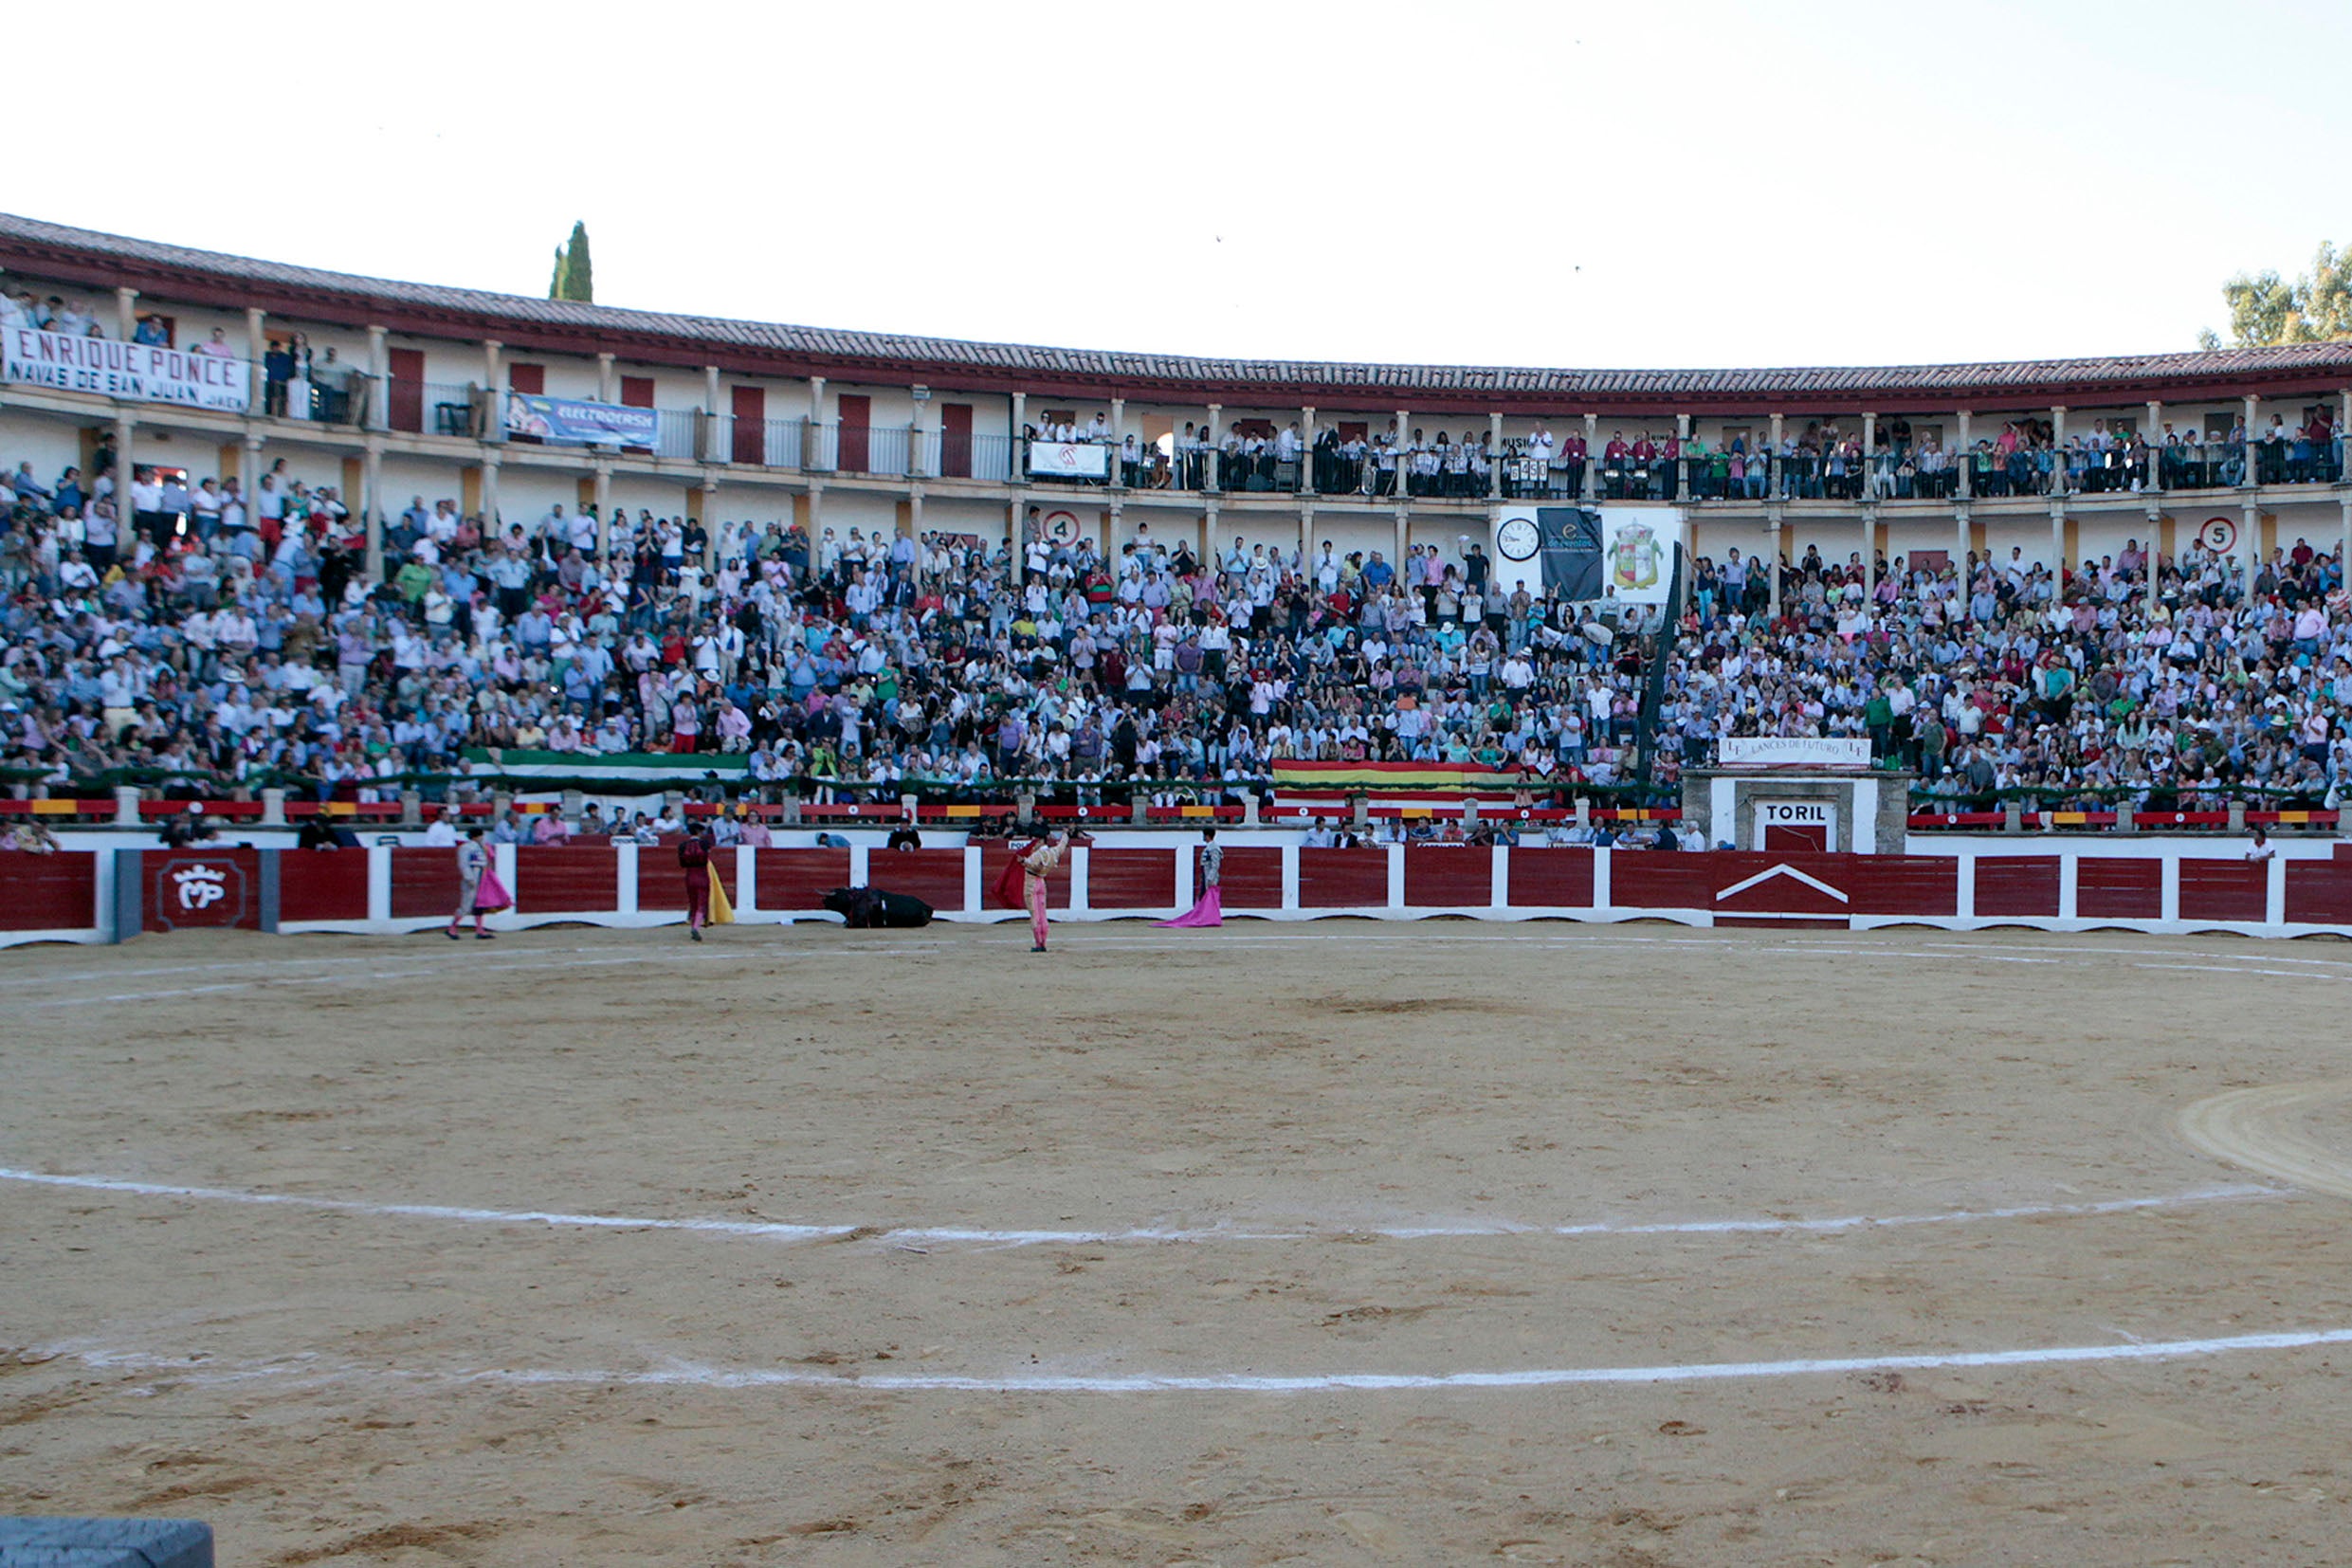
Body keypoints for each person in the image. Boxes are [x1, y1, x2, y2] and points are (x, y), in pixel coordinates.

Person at [1158, 826, 1223, 927]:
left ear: (1207, 836)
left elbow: (1215, 865)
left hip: (1210, 877)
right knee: (1205, 897)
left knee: (1209, 897)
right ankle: (1207, 916)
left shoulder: (1213, 848)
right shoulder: (1211, 847)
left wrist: (1210, 878)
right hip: (1206, 875)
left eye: (1204, 835)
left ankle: (1210, 917)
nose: (1203, 837)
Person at [1018, 830, 1067, 953]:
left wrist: (1023, 862)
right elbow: (1062, 845)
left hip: (1031, 884)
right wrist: (1065, 834)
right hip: (1042, 883)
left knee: (1035, 915)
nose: (1034, 844)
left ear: (1041, 841)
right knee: (1043, 914)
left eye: (1035, 841)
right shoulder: (1053, 852)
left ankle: (1038, 944)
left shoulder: (1037, 855)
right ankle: (1044, 943)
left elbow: (1032, 865)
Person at [447, 827, 495, 940]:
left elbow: (485, 863)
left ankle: (479, 930)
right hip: (472, 879)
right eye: (481, 835)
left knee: (480, 905)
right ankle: (452, 928)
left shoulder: (482, 847)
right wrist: (469, 879)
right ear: (476, 836)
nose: (483, 838)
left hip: (481, 879)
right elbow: (463, 864)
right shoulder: (465, 848)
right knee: (466, 906)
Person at [679, 825, 713, 940]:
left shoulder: (682, 846)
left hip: (690, 876)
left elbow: (682, 864)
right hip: (702, 876)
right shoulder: (705, 844)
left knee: (693, 903)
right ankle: (696, 927)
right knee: (701, 903)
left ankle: (694, 926)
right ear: (698, 831)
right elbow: (707, 858)